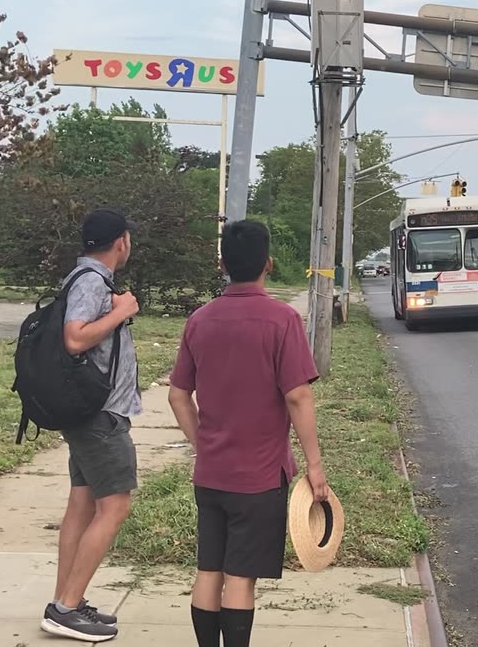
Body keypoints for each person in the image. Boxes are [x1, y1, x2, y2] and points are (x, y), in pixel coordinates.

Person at [167, 220, 329, 647]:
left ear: (222, 264)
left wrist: (203, 445)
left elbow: (178, 396)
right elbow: (298, 398)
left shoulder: (199, 320)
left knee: (209, 570)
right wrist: (315, 467)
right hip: (259, 479)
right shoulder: (282, 320)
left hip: (211, 475)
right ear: (269, 265)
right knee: (240, 578)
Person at [43, 208, 141, 643]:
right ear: (121, 241)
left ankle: (65, 602)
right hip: (100, 417)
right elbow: (75, 337)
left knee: (81, 507)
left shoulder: (81, 278)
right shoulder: (90, 281)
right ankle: (66, 609)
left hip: (88, 414)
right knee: (115, 506)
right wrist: (122, 311)